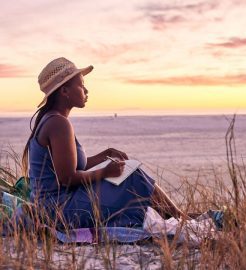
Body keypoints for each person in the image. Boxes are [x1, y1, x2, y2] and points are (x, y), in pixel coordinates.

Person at [22, 57, 185, 229]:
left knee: (130, 172)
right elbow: (67, 178)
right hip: (58, 210)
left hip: (55, 205)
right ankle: (180, 219)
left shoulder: (54, 120)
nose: (86, 90)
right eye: (81, 85)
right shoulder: (59, 124)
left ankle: (177, 217)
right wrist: (105, 172)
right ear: (64, 91)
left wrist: (105, 154)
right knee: (134, 176)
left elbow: (74, 166)